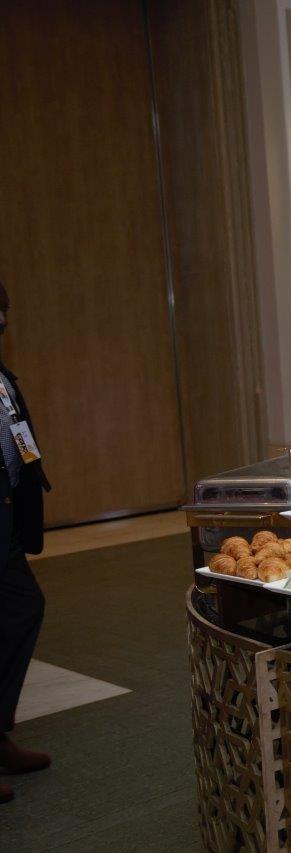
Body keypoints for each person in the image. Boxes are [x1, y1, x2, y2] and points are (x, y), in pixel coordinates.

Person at [0, 280, 52, 804]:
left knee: (22, 608)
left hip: (6, 522)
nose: (2, 320)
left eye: (4, 310)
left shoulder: (2, 376)